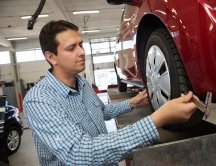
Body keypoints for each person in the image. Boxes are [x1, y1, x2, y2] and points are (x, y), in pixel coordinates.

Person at [23, 20, 197, 166]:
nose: (82, 52)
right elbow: (80, 154)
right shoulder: (39, 100)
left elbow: (101, 112)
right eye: (71, 48)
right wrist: (156, 120)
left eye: (81, 45)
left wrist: (132, 103)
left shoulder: (81, 82)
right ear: (51, 57)